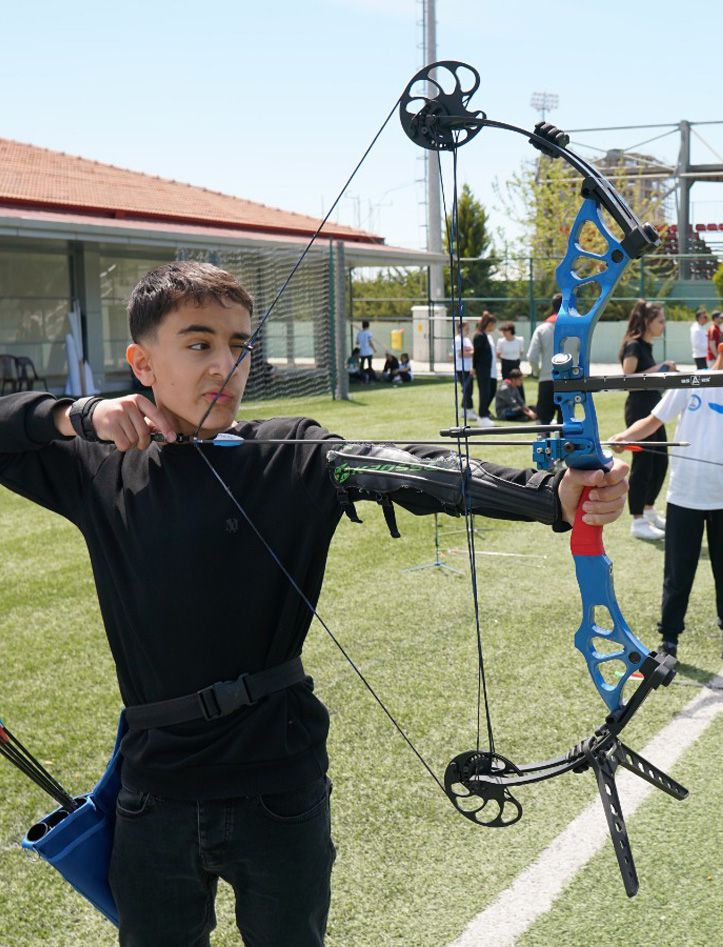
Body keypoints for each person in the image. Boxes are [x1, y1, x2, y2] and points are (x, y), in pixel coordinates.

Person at [0, 260, 630, 945]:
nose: (226, 364)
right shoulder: (99, 468)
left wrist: (549, 494)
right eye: (199, 342)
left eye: (241, 344)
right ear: (141, 362)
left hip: (278, 783)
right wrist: (76, 413)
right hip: (156, 791)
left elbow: (407, 467)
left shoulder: (290, 453)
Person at [611, 324, 723, 672]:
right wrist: (624, 437)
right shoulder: (691, 382)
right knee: (678, 573)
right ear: (722, 349)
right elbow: (652, 420)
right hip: (684, 498)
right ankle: (669, 642)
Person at [620, 299, 675, 540]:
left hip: (654, 409)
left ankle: (648, 510)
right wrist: (661, 368)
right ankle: (637, 520)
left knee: (660, 461)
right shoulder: (634, 345)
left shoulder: (647, 346)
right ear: (647, 322)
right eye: (660, 321)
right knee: (643, 464)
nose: (663, 325)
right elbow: (627, 377)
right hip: (639, 409)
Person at [525, 294, 562, 425]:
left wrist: (538, 372)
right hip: (568, 381)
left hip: (546, 379)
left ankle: (543, 445)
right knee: (566, 423)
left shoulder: (542, 328)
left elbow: (531, 356)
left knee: (543, 422)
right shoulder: (574, 329)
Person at [471, 311, 498, 426]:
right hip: (482, 370)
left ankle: (484, 414)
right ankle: (482, 417)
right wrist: (474, 367)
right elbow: (476, 354)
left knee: (491, 391)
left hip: (491, 370)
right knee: (484, 393)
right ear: (489, 323)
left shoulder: (488, 336)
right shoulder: (479, 336)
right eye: (494, 324)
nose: (495, 326)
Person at [452, 322, 475, 419]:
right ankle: (469, 410)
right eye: (466, 329)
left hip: (469, 368)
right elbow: (461, 354)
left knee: (468, 390)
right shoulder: (457, 340)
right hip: (461, 368)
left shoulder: (467, 340)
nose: (468, 330)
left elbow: (469, 352)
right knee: (467, 390)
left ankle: (464, 410)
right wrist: (474, 353)